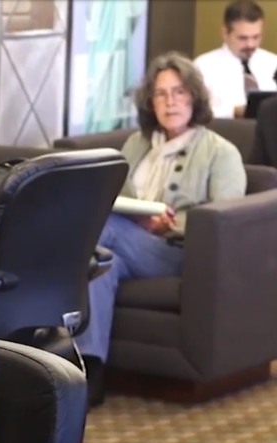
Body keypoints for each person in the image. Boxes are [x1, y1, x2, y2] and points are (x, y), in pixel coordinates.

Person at [77, 52, 247, 407]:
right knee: (100, 261)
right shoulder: (137, 145)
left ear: (195, 97)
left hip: (177, 252)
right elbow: (115, 198)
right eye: (161, 94)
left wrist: (167, 224)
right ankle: (90, 371)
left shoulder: (221, 152)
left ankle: (41, 296)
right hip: (126, 243)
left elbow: (227, 220)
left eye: (179, 92)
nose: (170, 102)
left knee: (100, 230)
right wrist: (136, 220)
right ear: (149, 102)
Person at [194, 0, 277, 119]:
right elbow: (194, 112)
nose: (250, 44)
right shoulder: (203, 67)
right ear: (225, 33)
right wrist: (233, 111)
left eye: (256, 37)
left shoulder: (274, 63)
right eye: (243, 38)